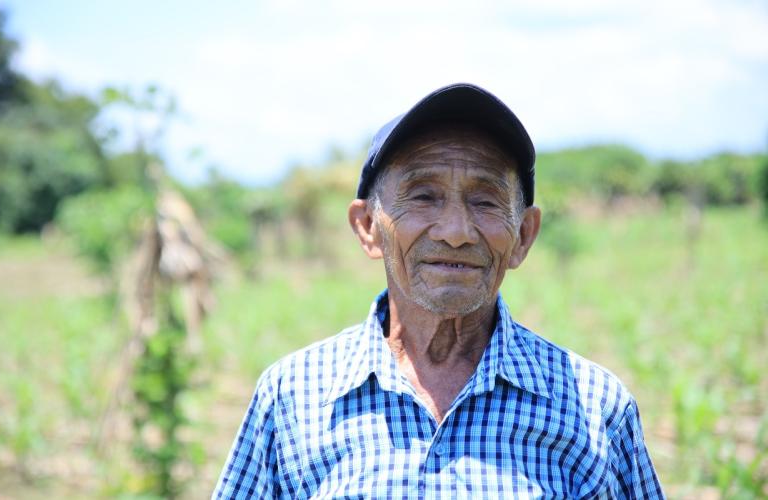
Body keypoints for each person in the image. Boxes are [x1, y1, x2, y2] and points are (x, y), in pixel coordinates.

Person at [212, 83, 664, 499]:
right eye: (423, 196)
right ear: (368, 227)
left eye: (484, 201)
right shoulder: (293, 396)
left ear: (523, 235)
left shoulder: (595, 407)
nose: (455, 231)